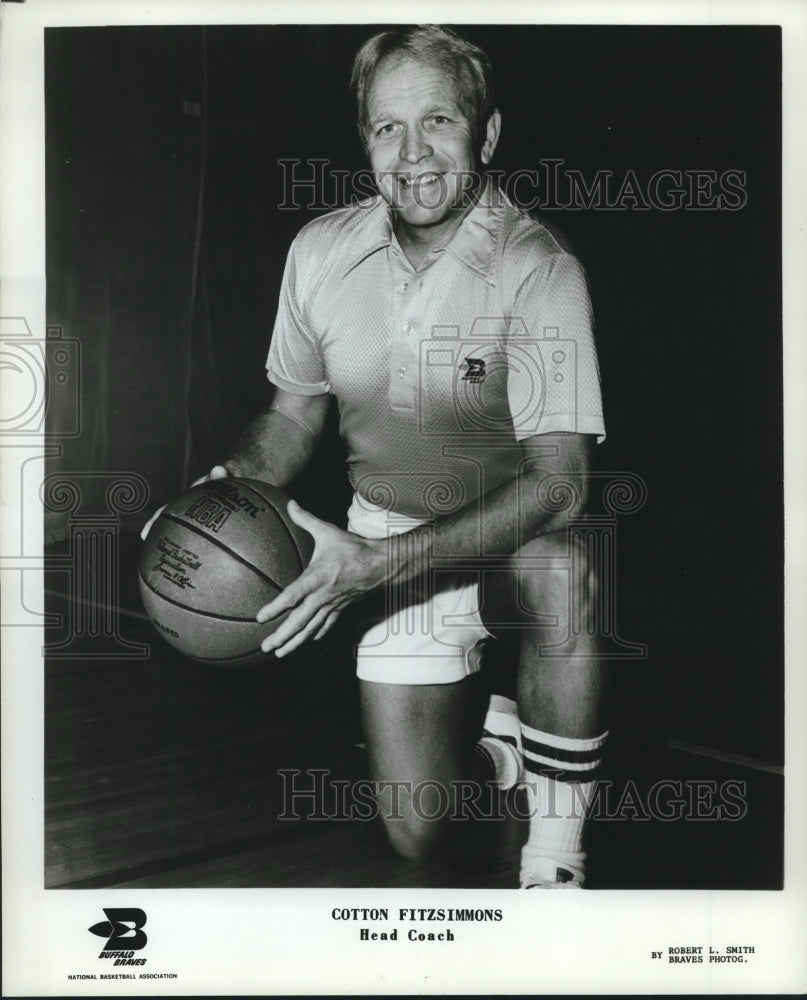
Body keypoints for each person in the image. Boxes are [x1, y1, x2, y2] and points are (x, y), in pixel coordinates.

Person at [145, 25, 608, 888]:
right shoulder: (321, 252)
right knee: (416, 838)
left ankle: (556, 864)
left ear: (488, 134)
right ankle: (500, 751)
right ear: (362, 138)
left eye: (438, 121)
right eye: (386, 127)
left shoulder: (540, 269)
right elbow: (289, 419)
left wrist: (379, 566)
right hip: (383, 536)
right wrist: (226, 488)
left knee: (561, 570)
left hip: (503, 539)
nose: (412, 153)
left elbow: (560, 486)